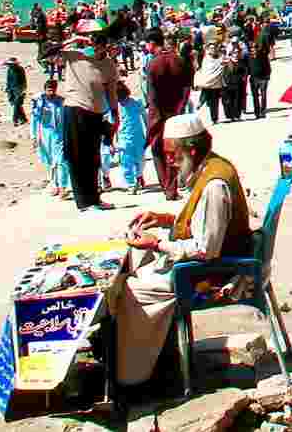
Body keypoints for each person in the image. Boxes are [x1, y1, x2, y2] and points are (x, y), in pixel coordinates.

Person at [112, 114, 255, 387]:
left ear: (190, 150)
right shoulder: (208, 167)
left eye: (171, 154)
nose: (168, 161)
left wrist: (156, 243)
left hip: (215, 273)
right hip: (215, 259)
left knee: (130, 289)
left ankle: (135, 375)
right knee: (136, 263)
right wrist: (165, 219)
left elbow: (206, 249)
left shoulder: (214, 184)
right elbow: (201, 222)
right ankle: (156, 354)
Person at [59, 30, 121, 211]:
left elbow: (111, 92)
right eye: (92, 44)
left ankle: (95, 199)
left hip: (96, 113)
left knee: (94, 158)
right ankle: (83, 202)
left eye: (99, 45)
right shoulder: (75, 56)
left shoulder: (109, 65)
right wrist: (73, 39)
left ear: (105, 46)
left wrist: (115, 115)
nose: (94, 48)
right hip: (74, 109)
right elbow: (45, 51)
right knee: (77, 157)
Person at [142, 33, 190, 201]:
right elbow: (186, 87)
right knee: (174, 150)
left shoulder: (153, 64)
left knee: (158, 151)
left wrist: (153, 121)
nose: (145, 47)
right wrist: (181, 108)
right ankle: (175, 186)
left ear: (152, 43)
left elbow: (152, 96)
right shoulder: (179, 60)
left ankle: (168, 189)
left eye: (146, 44)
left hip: (160, 114)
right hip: (176, 111)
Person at [112, 85, 149, 193]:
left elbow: (145, 118)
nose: (122, 101)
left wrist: (149, 133)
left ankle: (139, 175)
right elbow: (113, 125)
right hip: (124, 141)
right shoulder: (115, 107)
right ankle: (131, 184)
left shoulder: (137, 102)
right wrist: (112, 142)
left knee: (141, 161)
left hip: (139, 139)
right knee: (126, 164)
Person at [248, 29, 273, 121]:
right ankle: (257, 112)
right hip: (253, 79)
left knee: (263, 95)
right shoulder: (249, 58)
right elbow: (247, 68)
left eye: (255, 48)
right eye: (252, 49)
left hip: (263, 78)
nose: (253, 50)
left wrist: (267, 76)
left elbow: (268, 67)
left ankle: (262, 111)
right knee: (254, 96)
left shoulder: (263, 56)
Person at [5, 57, 29, 127]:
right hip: (12, 90)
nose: (10, 65)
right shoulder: (9, 70)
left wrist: (23, 90)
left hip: (20, 90)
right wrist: (8, 89)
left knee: (16, 105)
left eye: (11, 64)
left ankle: (15, 120)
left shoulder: (21, 69)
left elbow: (24, 81)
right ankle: (24, 119)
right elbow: (8, 80)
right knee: (17, 105)